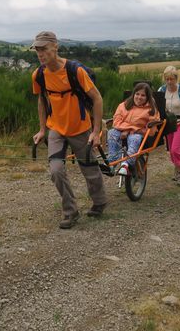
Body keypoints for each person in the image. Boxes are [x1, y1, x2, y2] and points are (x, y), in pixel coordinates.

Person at [31, 31, 107, 229]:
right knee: (56, 171)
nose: (40, 54)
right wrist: (41, 129)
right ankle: (70, 211)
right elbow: (41, 100)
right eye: (37, 50)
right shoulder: (39, 75)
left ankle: (99, 201)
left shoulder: (75, 71)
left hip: (80, 128)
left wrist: (95, 131)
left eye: (44, 49)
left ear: (55, 47)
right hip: (55, 129)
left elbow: (97, 99)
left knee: (89, 170)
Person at [107, 82, 161, 176]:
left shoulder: (151, 110)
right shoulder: (123, 105)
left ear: (147, 97)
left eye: (143, 95)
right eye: (137, 94)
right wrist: (128, 129)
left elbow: (151, 131)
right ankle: (112, 162)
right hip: (122, 131)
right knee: (112, 133)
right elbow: (116, 122)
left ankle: (125, 165)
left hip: (138, 134)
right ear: (133, 94)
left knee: (134, 138)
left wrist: (129, 131)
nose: (139, 97)